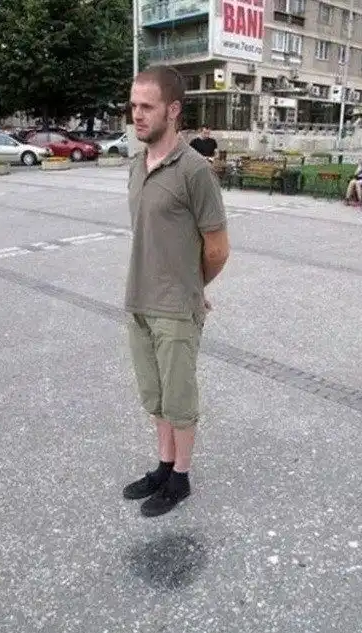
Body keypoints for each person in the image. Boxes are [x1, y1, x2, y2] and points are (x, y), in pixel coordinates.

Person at [123, 65, 230, 518]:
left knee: (180, 400)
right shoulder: (136, 166)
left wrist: (193, 286)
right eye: (133, 106)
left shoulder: (194, 171)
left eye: (147, 107)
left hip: (176, 309)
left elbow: (218, 248)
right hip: (138, 300)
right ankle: (164, 466)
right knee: (155, 396)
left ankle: (181, 478)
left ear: (173, 110)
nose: (137, 115)